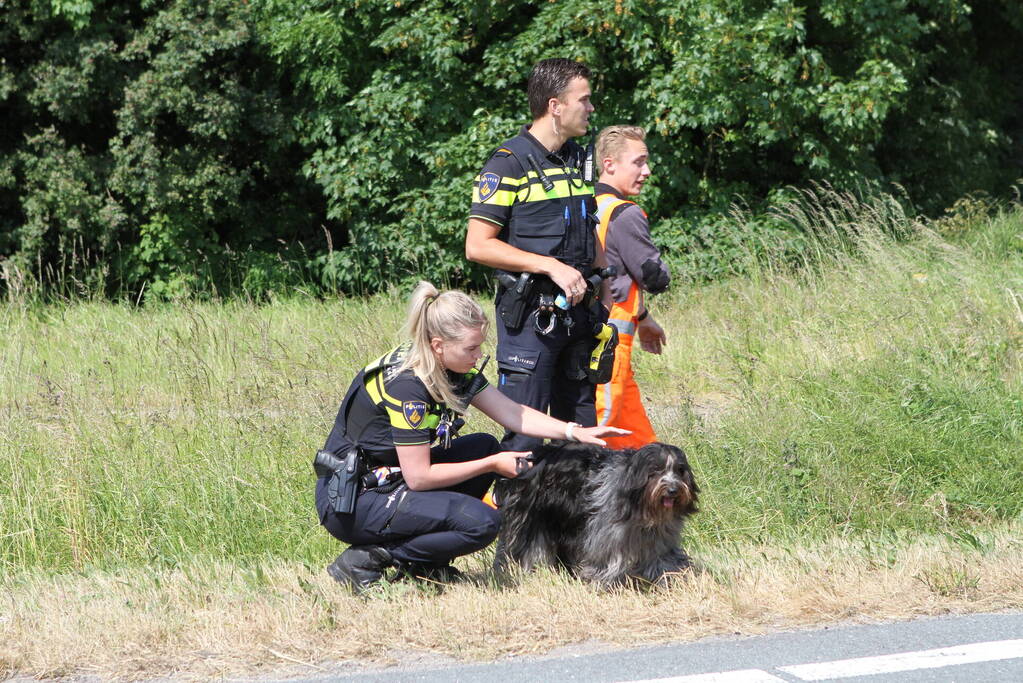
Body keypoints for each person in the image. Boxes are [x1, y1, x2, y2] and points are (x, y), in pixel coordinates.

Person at [316, 281, 627, 592]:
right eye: (471, 348)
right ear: (438, 345)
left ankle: (425, 566)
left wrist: (574, 431)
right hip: (353, 501)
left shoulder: (444, 367)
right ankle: (369, 559)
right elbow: (420, 478)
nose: (479, 355)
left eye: (479, 345)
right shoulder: (407, 387)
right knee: (482, 523)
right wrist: (491, 465)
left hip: (386, 481)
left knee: (482, 445)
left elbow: (512, 413)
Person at [465, 57, 607, 452]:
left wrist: (605, 299)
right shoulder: (508, 163)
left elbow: (589, 230)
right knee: (524, 439)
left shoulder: (580, 159)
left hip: (580, 317)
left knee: (583, 441)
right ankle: (508, 515)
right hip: (532, 321)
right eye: (585, 99)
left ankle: (579, 516)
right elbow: (477, 246)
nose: (591, 108)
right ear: (555, 105)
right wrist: (550, 266)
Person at [591, 125, 671, 449]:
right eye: (638, 162)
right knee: (593, 445)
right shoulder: (625, 214)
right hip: (609, 352)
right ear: (609, 164)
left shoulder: (590, 205)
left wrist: (644, 317)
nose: (647, 171)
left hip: (599, 343)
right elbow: (655, 278)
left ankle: (647, 501)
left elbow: (615, 279)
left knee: (641, 450)